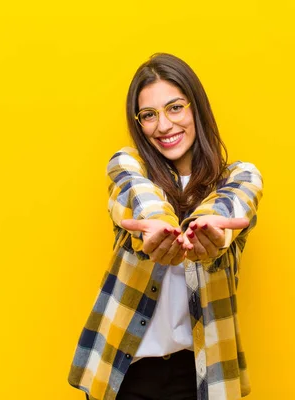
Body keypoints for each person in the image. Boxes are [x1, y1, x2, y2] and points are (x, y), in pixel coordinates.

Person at [68, 53, 263, 400]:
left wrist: (211, 233)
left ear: (196, 108)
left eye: (175, 108)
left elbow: (231, 203)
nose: (163, 125)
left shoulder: (239, 177)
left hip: (201, 379)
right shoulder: (128, 166)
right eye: (149, 115)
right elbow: (139, 196)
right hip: (126, 376)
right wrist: (157, 226)